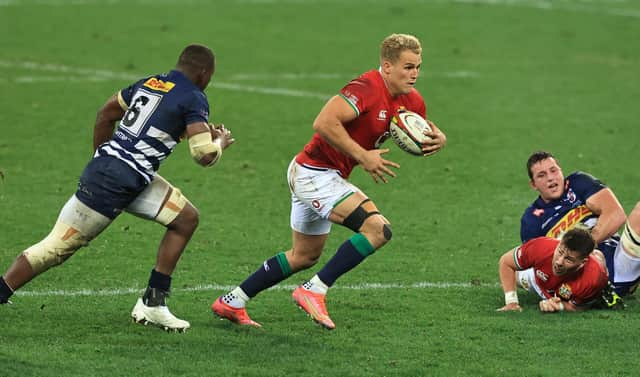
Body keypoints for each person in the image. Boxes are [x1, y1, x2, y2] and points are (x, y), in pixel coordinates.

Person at [211, 33, 447, 330]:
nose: (414, 74)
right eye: (408, 67)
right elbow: (323, 122)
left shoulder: (411, 101)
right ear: (387, 66)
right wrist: (363, 156)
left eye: (418, 67)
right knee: (378, 229)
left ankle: (232, 301)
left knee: (304, 256)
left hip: (322, 175)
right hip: (313, 173)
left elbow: (415, 133)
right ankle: (313, 290)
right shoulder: (366, 88)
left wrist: (438, 140)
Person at [0, 44, 234, 332]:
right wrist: (219, 142)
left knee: (186, 218)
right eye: (210, 75)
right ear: (203, 72)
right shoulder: (195, 97)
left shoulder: (151, 82)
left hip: (128, 176)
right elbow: (204, 155)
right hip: (119, 179)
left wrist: (104, 158)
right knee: (56, 248)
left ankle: (153, 304)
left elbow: (106, 114)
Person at [520, 150, 640, 300]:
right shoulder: (532, 220)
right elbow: (537, 265)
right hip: (584, 282)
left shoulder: (578, 183)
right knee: (522, 274)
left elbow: (616, 214)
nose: (550, 178)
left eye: (553, 170)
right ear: (533, 184)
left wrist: (585, 245)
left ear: (561, 171)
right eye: (541, 175)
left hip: (620, 262)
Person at [497, 228, 609, 312]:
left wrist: (559, 306)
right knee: (514, 278)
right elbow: (506, 262)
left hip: (576, 288)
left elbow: (578, 307)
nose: (559, 262)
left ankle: (603, 284)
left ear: (583, 262)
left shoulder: (593, 277)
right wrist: (511, 302)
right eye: (560, 252)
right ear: (559, 243)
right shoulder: (541, 247)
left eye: (568, 259)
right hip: (538, 279)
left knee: (599, 260)